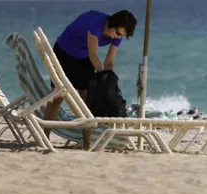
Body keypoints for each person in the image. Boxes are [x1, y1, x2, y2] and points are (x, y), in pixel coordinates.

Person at [43, 10, 137, 150]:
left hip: (83, 57)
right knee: (57, 97)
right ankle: (45, 137)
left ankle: (86, 144)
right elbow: (94, 56)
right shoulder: (96, 23)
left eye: (121, 35)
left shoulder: (117, 35)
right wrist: (102, 79)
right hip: (64, 52)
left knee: (87, 100)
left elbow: (109, 61)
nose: (118, 37)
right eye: (117, 33)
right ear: (113, 24)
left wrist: (109, 80)